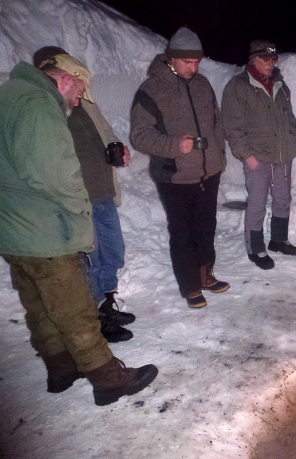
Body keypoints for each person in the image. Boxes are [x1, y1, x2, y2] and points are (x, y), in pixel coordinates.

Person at [0, 56, 157, 405]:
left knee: (40, 307)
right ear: (65, 79)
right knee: (74, 309)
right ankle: (107, 378)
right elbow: (57, 174)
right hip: (45, 229)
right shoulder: (40, 105)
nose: (76, 101)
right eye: (78, 91)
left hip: (13, 228)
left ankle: (61, 369)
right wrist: (79, 217)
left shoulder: (10, 94)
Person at [33, 46, 136, 343]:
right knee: (91, 259)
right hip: (78, 201)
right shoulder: (48, 109)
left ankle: (107, 303)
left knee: (113, 253)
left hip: (103, 194)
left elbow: (108, 134)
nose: (80, 91)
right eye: (76, 84)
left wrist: (121, 149)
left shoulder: (86, 105)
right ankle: (95, 319)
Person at [130, 27, 229, 308]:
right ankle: (190, 286)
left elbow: (216, 123)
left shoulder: (203, 84)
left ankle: (205, 274)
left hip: (208, 172)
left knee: (206, 227)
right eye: (188, 62)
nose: (193, 68)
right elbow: (139, 136)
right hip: (174, 176)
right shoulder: (152, 89)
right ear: (171, 58)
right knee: (182, 232)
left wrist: (218, 156)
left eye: (197, 62)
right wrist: (174, 145)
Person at [222, 40, 296, 270]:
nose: (270, 63)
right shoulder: (238, 86)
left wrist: (292, 143)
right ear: (253, 60)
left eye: (274, 59)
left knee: (283, 199)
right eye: (266, 59)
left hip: (282, 155)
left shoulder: (280, 85)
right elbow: (231, 127)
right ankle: (255, 248)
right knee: (256, 203)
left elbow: (290, 120)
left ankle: (278, 239)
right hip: (257, 157)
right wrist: (246, 155)